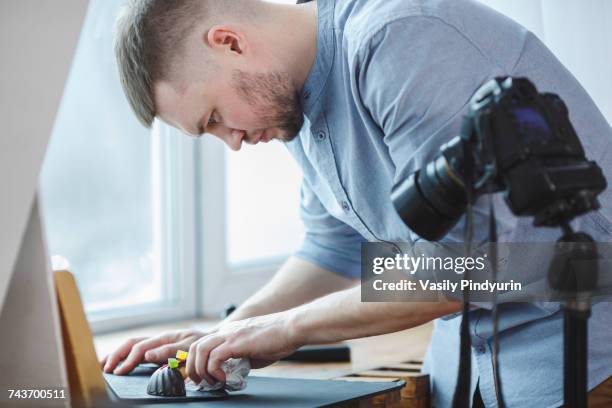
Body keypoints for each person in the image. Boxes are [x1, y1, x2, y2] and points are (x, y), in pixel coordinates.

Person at [103, 0, 612, 406]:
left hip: (585, 362)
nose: (231, 141)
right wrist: (229, 333)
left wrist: (286, 329)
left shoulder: (402, 39)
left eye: (213, 117)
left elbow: (468, 268)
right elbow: (334, 249)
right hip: (467, 371)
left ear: (230, 42)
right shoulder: (294, 106)